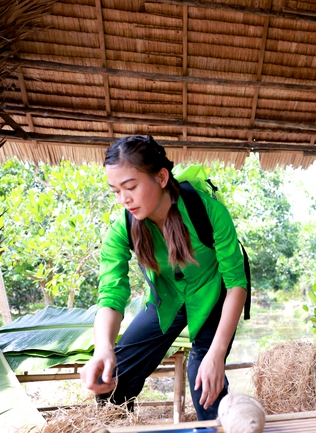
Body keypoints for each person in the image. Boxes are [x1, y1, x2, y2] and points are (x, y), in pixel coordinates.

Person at [80, 135, 247, 420]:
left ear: (161, 177)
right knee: (113, 377)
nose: (124, 200)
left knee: (203, 379)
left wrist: (216, 354)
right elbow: (111, 294)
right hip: (167, 298)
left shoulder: (208, 211)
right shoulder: (122, 229)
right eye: (115, 191)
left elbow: (236, 284)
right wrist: (103, 348)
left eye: (130, 187)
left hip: (212, 295)